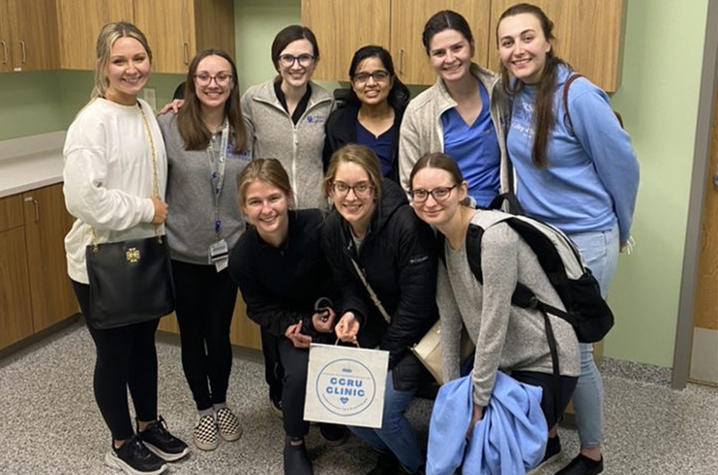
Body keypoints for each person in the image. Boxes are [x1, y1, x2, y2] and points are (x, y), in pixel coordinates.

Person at [495, 4, 640, 474]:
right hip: (540, 240)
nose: (518, 49)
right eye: (507, 41)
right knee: (541, 345)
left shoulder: (578, 96)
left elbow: (623, 167)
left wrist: (623, 228)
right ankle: (550, 436)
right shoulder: (513, 92)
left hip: (587, 241)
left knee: (575, 349)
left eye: (527, 37)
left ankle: (592, 453)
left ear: (548, 40)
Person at [63, 22, 188, 475]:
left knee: (143, 349)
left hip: (143, 255)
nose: (131, 69)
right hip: (101, 262)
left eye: (138, 59)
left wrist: (168, 115)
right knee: (114, 355)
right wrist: (145, 209)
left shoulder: (143, 112)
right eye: (119, 61)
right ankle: (120, 441)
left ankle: (149, 424)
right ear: (103, 66)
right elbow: (82, 199)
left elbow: (140, 158)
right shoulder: (90, 123)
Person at [408, 152, 580, 471]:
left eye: (440, 191)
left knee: (489, 456)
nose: (430, 202)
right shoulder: (444, 243)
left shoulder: (493, 237)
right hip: (506, 363)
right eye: (420, 193)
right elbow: (451, 322)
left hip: (545, 360)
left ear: (462, 190)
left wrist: (477, 402)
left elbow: (493, 323)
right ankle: (546, 446)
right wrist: (451, 398)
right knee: (463, 439)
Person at [321, 144, 438, 475]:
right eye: (342, 187)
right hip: (379, 330)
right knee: (342, 405)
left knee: (381, 408)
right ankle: (394, 452)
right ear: (331, 188)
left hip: (422, 339)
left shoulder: (406, 225)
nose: (351, 197)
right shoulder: (333, 228)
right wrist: (351, 314)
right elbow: (348, 288)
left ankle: (415, 467)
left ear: (375, 188)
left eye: (361, 187)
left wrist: (381, 360)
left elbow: (418, 307)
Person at [229, 158, 347, 475]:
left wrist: (331, 314)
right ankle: (295, 440)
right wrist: (296, 327)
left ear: (289, 197)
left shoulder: (318, 225)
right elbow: (259, 308)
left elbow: (341, 277)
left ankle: (331, 414)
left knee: (347, 357)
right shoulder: (242, 256)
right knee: (298, 372)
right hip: (289, 324)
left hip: (330, 312)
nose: (267, 209)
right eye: (255, 202)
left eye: (274, 198)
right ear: (244, 209)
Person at [157, 49, 250, 452]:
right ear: (192, 81)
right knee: (193, 336)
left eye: (222, 77)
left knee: (220, 333)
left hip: (229, 252)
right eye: (205, 76)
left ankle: (221, 402)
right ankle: (202, 410)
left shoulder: (245, 130)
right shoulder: (168, 126)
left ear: (232, 83)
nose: (213, 84)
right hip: (182, 253)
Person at [240, 25, 332, 414]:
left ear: (314, 60)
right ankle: (278, 385)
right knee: (274, 306)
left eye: (305, 57)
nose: (297, 65)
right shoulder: (253, 100)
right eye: (288, 57)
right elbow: (237, 149)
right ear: (277, 61)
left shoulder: (327, 102)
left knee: (318, 299)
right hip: (266, 215)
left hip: (313, 219)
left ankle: (323, 394)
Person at [399, 10, 511, 208]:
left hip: (500, 212)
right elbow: (410, 184)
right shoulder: (418, 112)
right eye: (439, 53)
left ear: (472, 47)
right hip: (445, 214)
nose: (450, 59)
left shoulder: (503, 93)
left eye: (457, 48)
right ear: (429, 58)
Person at [323, 45, 410, 182]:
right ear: (352, 83)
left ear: (391, 81)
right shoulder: (337, 124)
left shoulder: (408, 121)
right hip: (351, 200)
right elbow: (330, 173)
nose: (371, 83)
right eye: (362, 77)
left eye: (379, 76)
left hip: (398, 201)